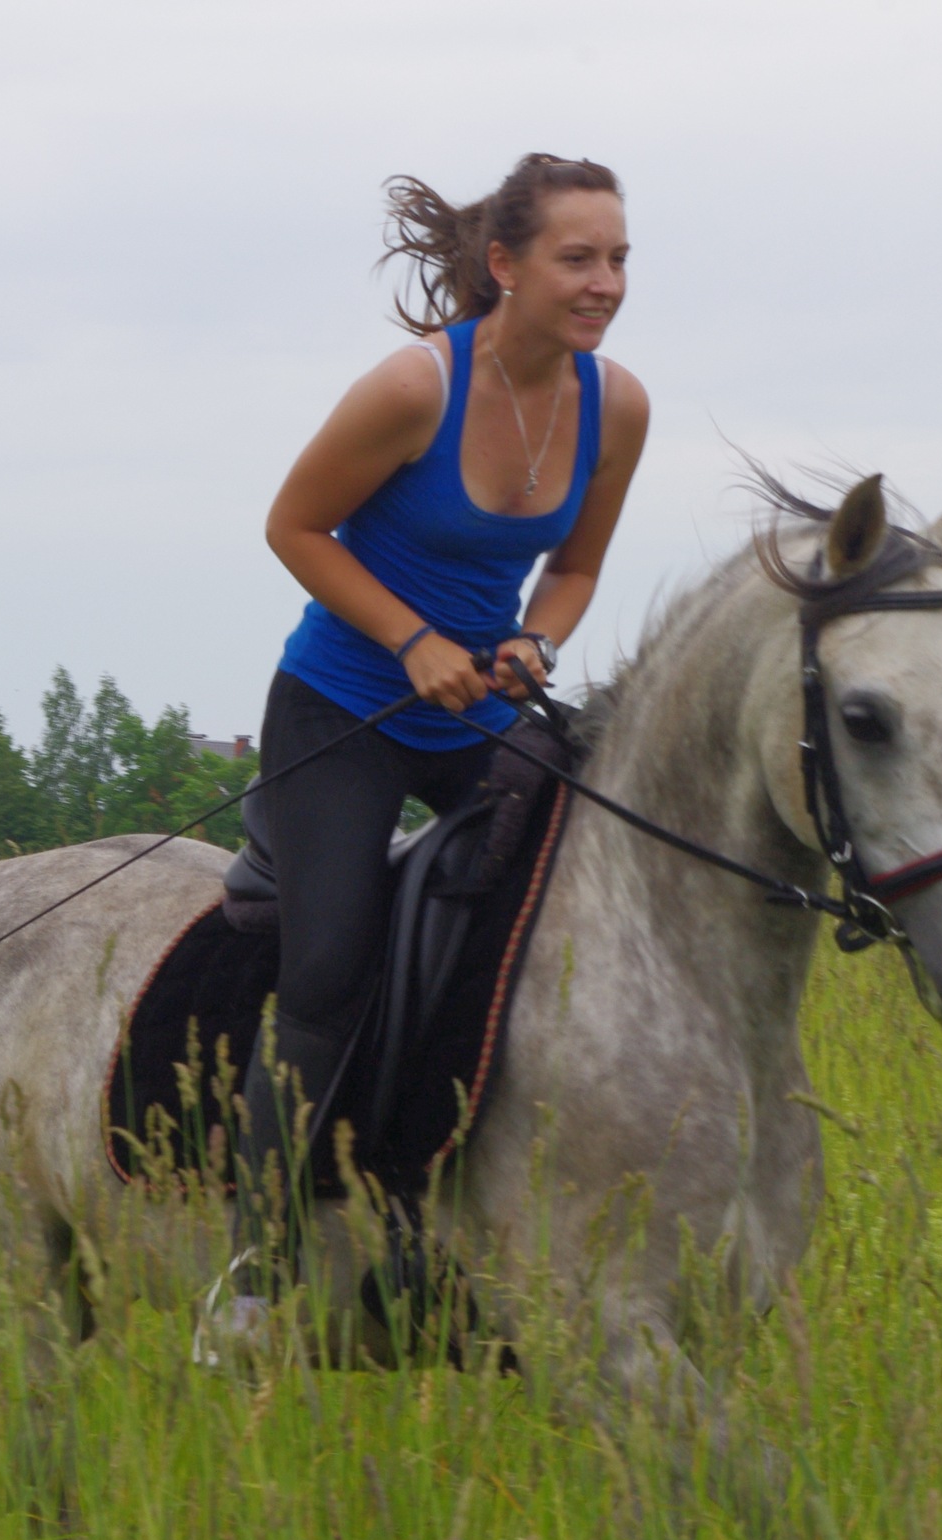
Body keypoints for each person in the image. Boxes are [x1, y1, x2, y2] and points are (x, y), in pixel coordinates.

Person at [241, 152, 650, 1268]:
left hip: (481, 719)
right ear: (506, 265)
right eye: (579, 259)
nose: (606, 284)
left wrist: (535, 642)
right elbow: (292, 527)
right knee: (329, 976)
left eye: (619, 259)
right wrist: (411, 640)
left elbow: (574, 569)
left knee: (566, 932)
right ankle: (253, 1264)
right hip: (343, 711)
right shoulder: (415, 387)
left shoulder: (618, 405)